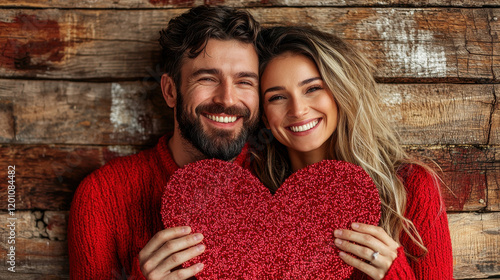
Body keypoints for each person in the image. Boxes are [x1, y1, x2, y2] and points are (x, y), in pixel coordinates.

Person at [67, 5, 261, 279]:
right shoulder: (101, 196)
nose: (227, 99)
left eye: (245, 82)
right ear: (170, 91)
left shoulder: (280, 179)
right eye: (207, 78)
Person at [252, 26, 453, 279]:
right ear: (263, 116)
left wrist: (393, 272)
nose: (298, 110)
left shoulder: (410, 187)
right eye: (277, 97)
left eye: (312, 88)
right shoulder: (257, 199)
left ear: (339, 92)